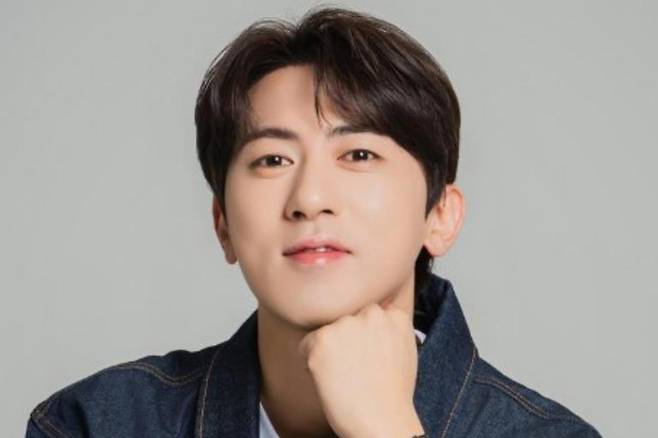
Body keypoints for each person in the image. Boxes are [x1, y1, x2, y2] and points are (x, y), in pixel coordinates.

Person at [25, 6, 602, 438]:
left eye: (359, 154)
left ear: (439, 216)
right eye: (272, 160)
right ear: (223, 223)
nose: (310, 198)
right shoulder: (97, 423)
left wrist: (387, 428)